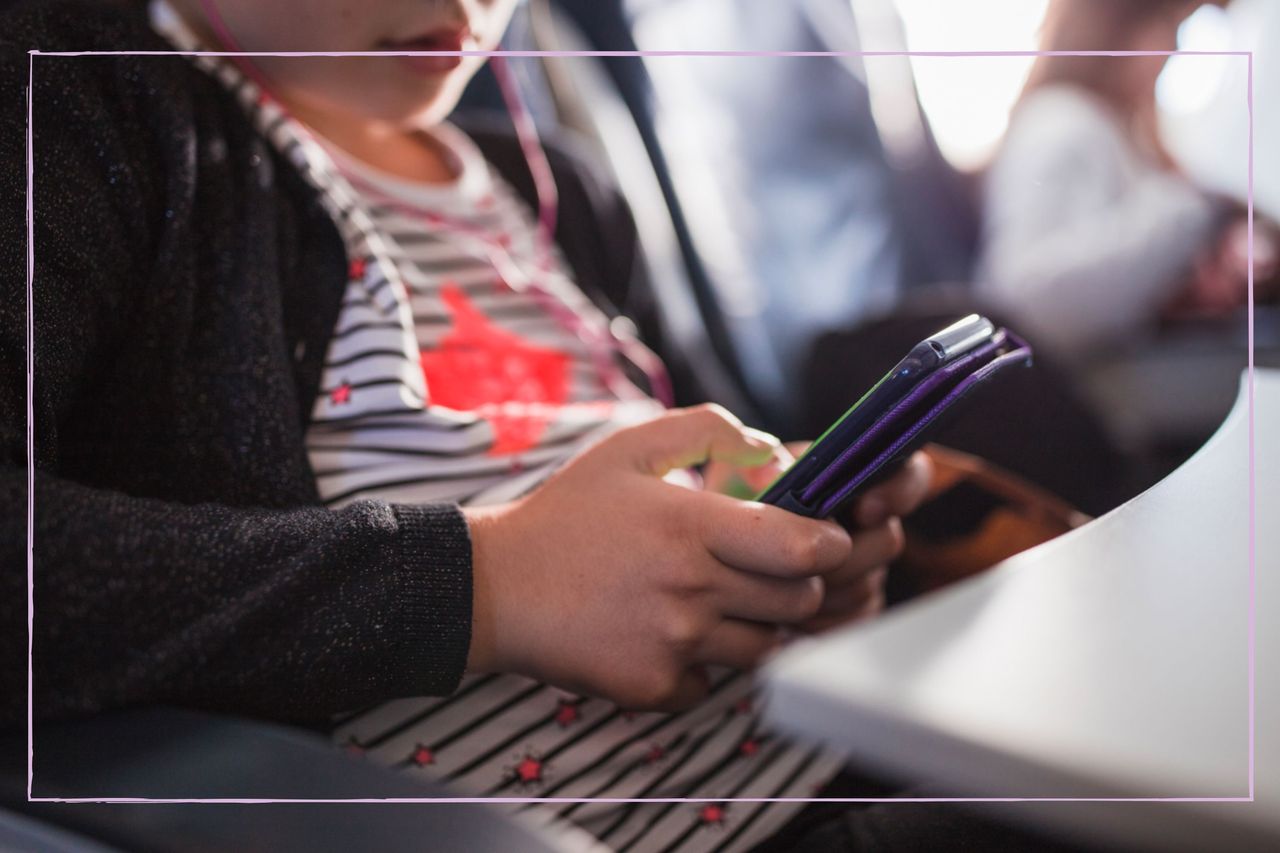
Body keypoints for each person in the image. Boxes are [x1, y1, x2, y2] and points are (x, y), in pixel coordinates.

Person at [1, 0, 950, 850]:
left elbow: (703, 462)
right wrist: (488, 583)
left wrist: (776, 553)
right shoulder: (81, 92)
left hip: (825, 759)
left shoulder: (566, 198)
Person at [975, 0, 1243, 363]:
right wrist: (1186, 210)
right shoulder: (1063, 120)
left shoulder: (1116, 130)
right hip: (1080, 384)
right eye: (1168, 26)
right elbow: (1030, 299)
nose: (1175, 48)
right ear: (1113, 29)